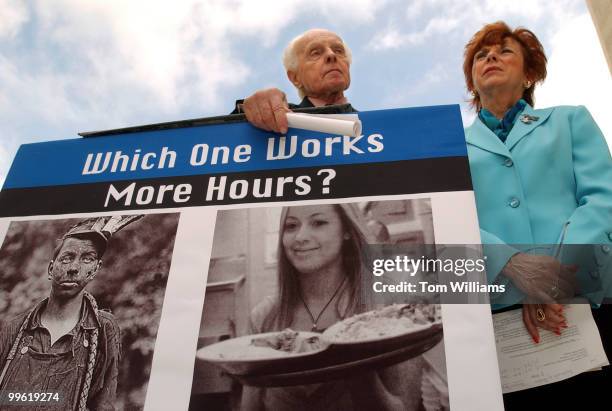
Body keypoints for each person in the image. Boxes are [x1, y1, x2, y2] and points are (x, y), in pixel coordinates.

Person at [463, 21, 612, 407]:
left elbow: (602, 200)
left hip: (585, 301)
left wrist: (552, 277)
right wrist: (511, 263)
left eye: (505, 51)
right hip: (497, 318)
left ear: (530, 74)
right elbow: (451, 217)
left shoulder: (570, 119)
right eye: (481, 55)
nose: (491, 57)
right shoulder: (451, 147)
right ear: (473, 82)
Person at [241, 203, 425, 411]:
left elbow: (405, 406)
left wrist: (357, 361)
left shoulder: (390, 307)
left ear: (346, 230)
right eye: (291, 226)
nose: (300, 236)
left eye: (318, 223)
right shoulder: (264, 317)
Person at [0, 215, 142, 411]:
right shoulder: (14, 330)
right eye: (67, 258)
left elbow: (103, 404)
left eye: (87, 259)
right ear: (51, 268)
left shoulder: (102, 330)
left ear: (95, 270)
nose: (74, 268)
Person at [232, 28, 356, 134]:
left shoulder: (373, 125)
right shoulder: (277, 120)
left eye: (338, 51)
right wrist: (252, 110)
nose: (331, 55)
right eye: (315, 53)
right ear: (295, 78)